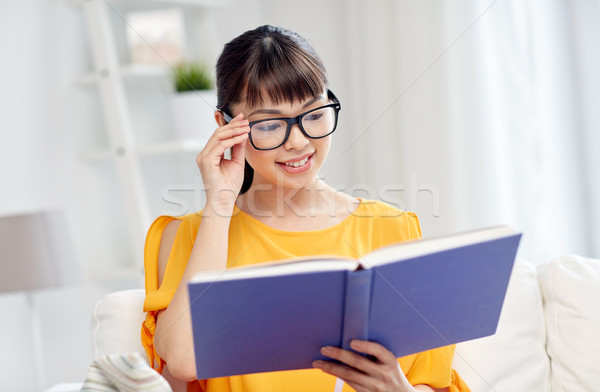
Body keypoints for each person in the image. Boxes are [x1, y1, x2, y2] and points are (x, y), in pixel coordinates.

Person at [141, 25, 470, 392]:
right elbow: (185, 362)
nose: (298, 142)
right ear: (225, 127)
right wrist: (220, 204)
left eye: (314, 115)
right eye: (269, 124)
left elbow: (430, 380)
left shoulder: (394, 228)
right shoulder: (187, 236)